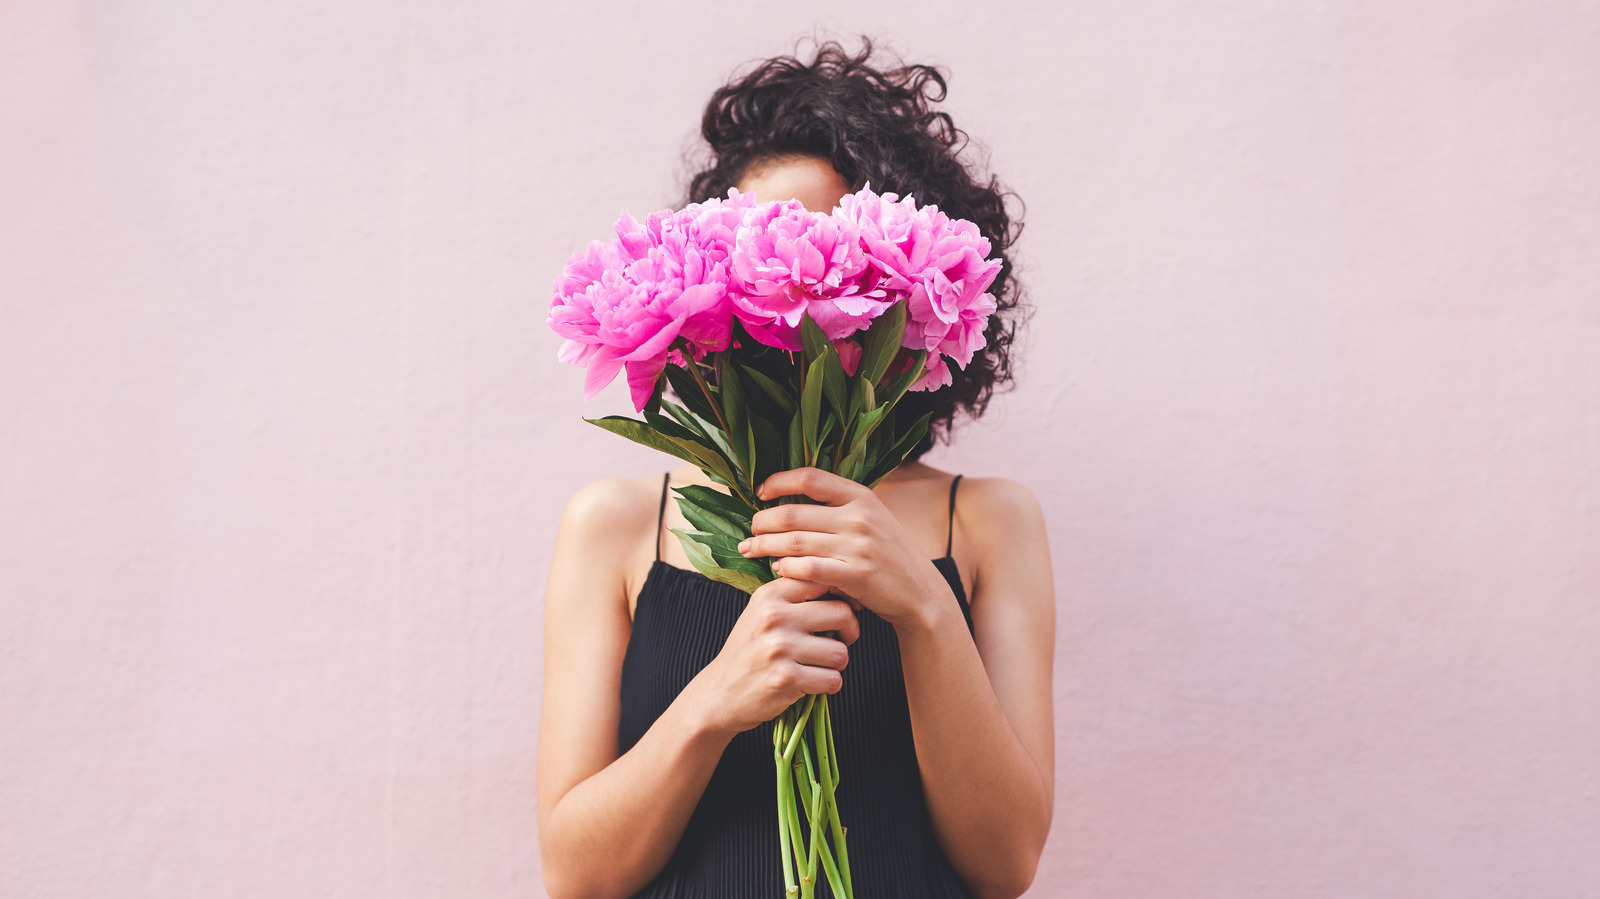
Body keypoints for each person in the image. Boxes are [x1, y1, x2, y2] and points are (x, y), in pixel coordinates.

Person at [537, 40, 1055, 899]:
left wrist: (923, 606)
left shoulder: (988, 521)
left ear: (902, 286)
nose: (786, 285)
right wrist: (716, 699)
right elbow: (574, 874)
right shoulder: (616, 525)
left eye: (825, 248)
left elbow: (1004, 866)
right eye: (751, 251)